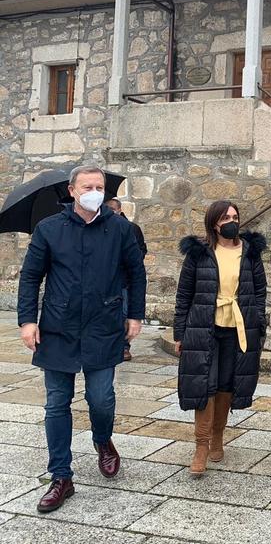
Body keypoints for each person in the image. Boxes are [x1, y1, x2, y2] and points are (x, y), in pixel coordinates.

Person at [17, 165, 146, 513]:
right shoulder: (49, 229)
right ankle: (61, 476)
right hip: (58, 329)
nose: (94, 191)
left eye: (99, 186)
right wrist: (28, 321)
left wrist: (134, 315)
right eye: (87, 186)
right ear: (72, 191)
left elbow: (137, 274)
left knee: (101, 398)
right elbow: (30, 277)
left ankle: (103, 440)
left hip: (103, 327)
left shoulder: (120, 229)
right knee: (57, 403)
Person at [174, 200, 267, 475]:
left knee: (227, 384)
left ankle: (217, 437)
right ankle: (201, 446)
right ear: (214, 222)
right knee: (205, 386)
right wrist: (180, 332)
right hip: (204, 327)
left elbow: (260, 291)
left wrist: (258, 323)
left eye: (235, 216)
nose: (231, 221)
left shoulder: (250, 252)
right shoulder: (199, 253)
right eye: (226, 217)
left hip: (238, 329)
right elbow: (183, 295)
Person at [105, 198, 147, 361]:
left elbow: (141, 250)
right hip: (107, 279)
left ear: (119, 209)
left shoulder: (131, 228)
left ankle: (123, 347)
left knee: (123, 313)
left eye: (111, 209)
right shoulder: (104, 228)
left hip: (124, 279)